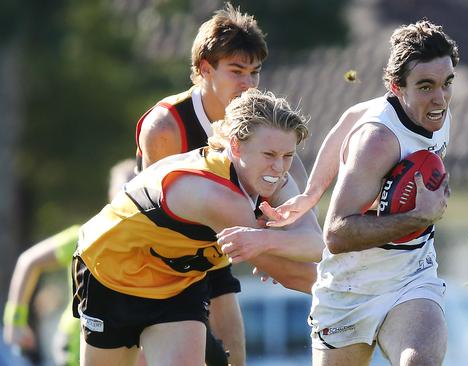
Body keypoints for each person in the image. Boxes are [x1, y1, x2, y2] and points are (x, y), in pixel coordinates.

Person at [73, 89, 322, 366]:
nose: (278, 167)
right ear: (236, 146)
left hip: (176, 280)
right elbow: (290, 273)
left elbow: (315, 244)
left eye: (288, 155)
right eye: (269, 154)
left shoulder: (274, 177)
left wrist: (263, 240)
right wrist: (363, 293)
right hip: (109, 270)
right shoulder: (221, 197)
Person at [266, 20, 457, 366]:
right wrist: (418, 217)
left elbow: (348, 118)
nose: (440, 98)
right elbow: (336, 234)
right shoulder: (378, 141)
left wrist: (311, 192)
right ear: (396, 87)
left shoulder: (437, 111)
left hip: (410, 278)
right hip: (348, 289)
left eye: (447, 83)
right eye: (426, 86)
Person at [134, 5, 309, 364]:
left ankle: (361, 303)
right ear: (204, 70)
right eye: (236, 71)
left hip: (213, 249)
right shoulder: (166, 127)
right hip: (155, 258)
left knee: (234, 354)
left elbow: (296, 193)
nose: (248, 84)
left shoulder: (258, 119)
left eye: (255, 73)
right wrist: (258, 238)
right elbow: (159, 221)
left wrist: (274, 235)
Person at [3, 159, 136, 366]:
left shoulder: (148, 244)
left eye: (131, 188)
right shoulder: (85, 235)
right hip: (77, 343)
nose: (124, 195)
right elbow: (29, 261)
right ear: (110, 192)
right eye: (120, 188)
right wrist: (15, 320)